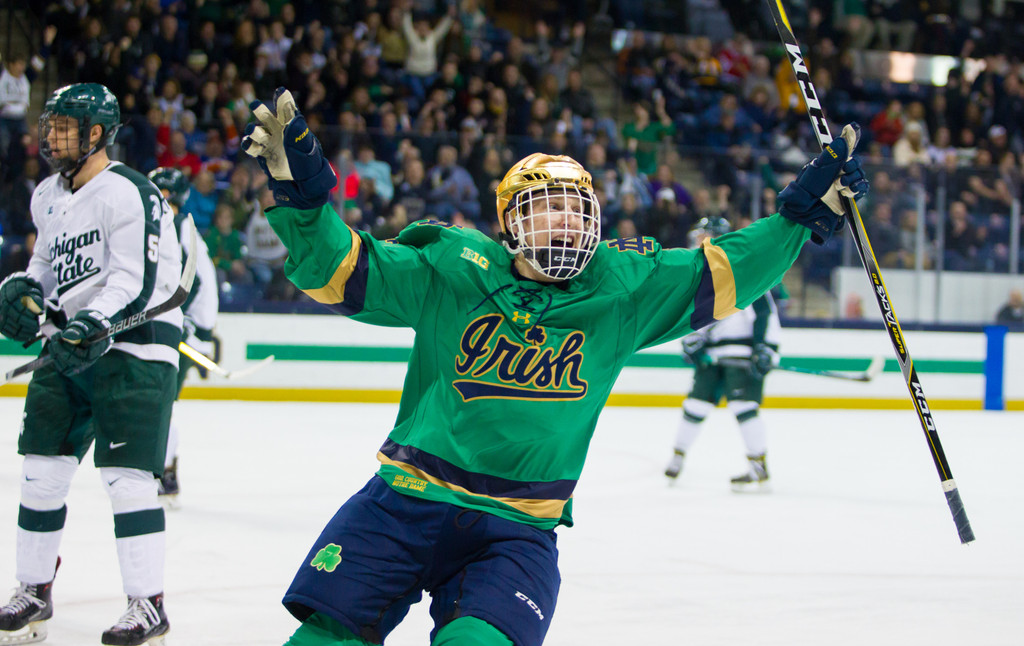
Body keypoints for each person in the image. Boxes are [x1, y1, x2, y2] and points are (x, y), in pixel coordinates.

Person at [240, 88, 868, 645]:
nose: (569, 218)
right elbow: (340, 272)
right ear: (511, 220)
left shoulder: (621, 289)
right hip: (403, 501)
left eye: (578, 205)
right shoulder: (452, 268)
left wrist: (800, 215)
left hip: (516, 530)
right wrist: (304, 199)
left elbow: (726, 269)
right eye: (550, 205)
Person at [0, 83, 182, 645]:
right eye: (49, 125)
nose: (50, 136)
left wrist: (93, 320)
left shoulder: (131, 192)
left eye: (63, 127)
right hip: (70, 347)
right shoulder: (47, 195)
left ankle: (148, 604)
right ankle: (34, 588)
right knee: (41, 470)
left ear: (97, 133)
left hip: (134, 346)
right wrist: (24, 292)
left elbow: (138, 278)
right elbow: (45, 265)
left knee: (127, 479)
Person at [663, 216, 782, 492]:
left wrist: (767, 349)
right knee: (695, 405)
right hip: (712, 358)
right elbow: (694, 321)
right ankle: (677, 456)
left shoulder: (744, 272)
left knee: (743, 406)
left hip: (741, 355)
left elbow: (766, 315)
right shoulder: (697, 277)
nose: (697, 241)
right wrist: (692, 343)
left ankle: (758, 465)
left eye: (703, 236)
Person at [147, 166, 220, 507]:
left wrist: (179, 320)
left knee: (162, 403)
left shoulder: (174, 226)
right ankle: (163, 469)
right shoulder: (181, 226)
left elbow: (195, 282)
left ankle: (165, 473)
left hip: (186, 330)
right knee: (163, 401)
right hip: (192, 328)